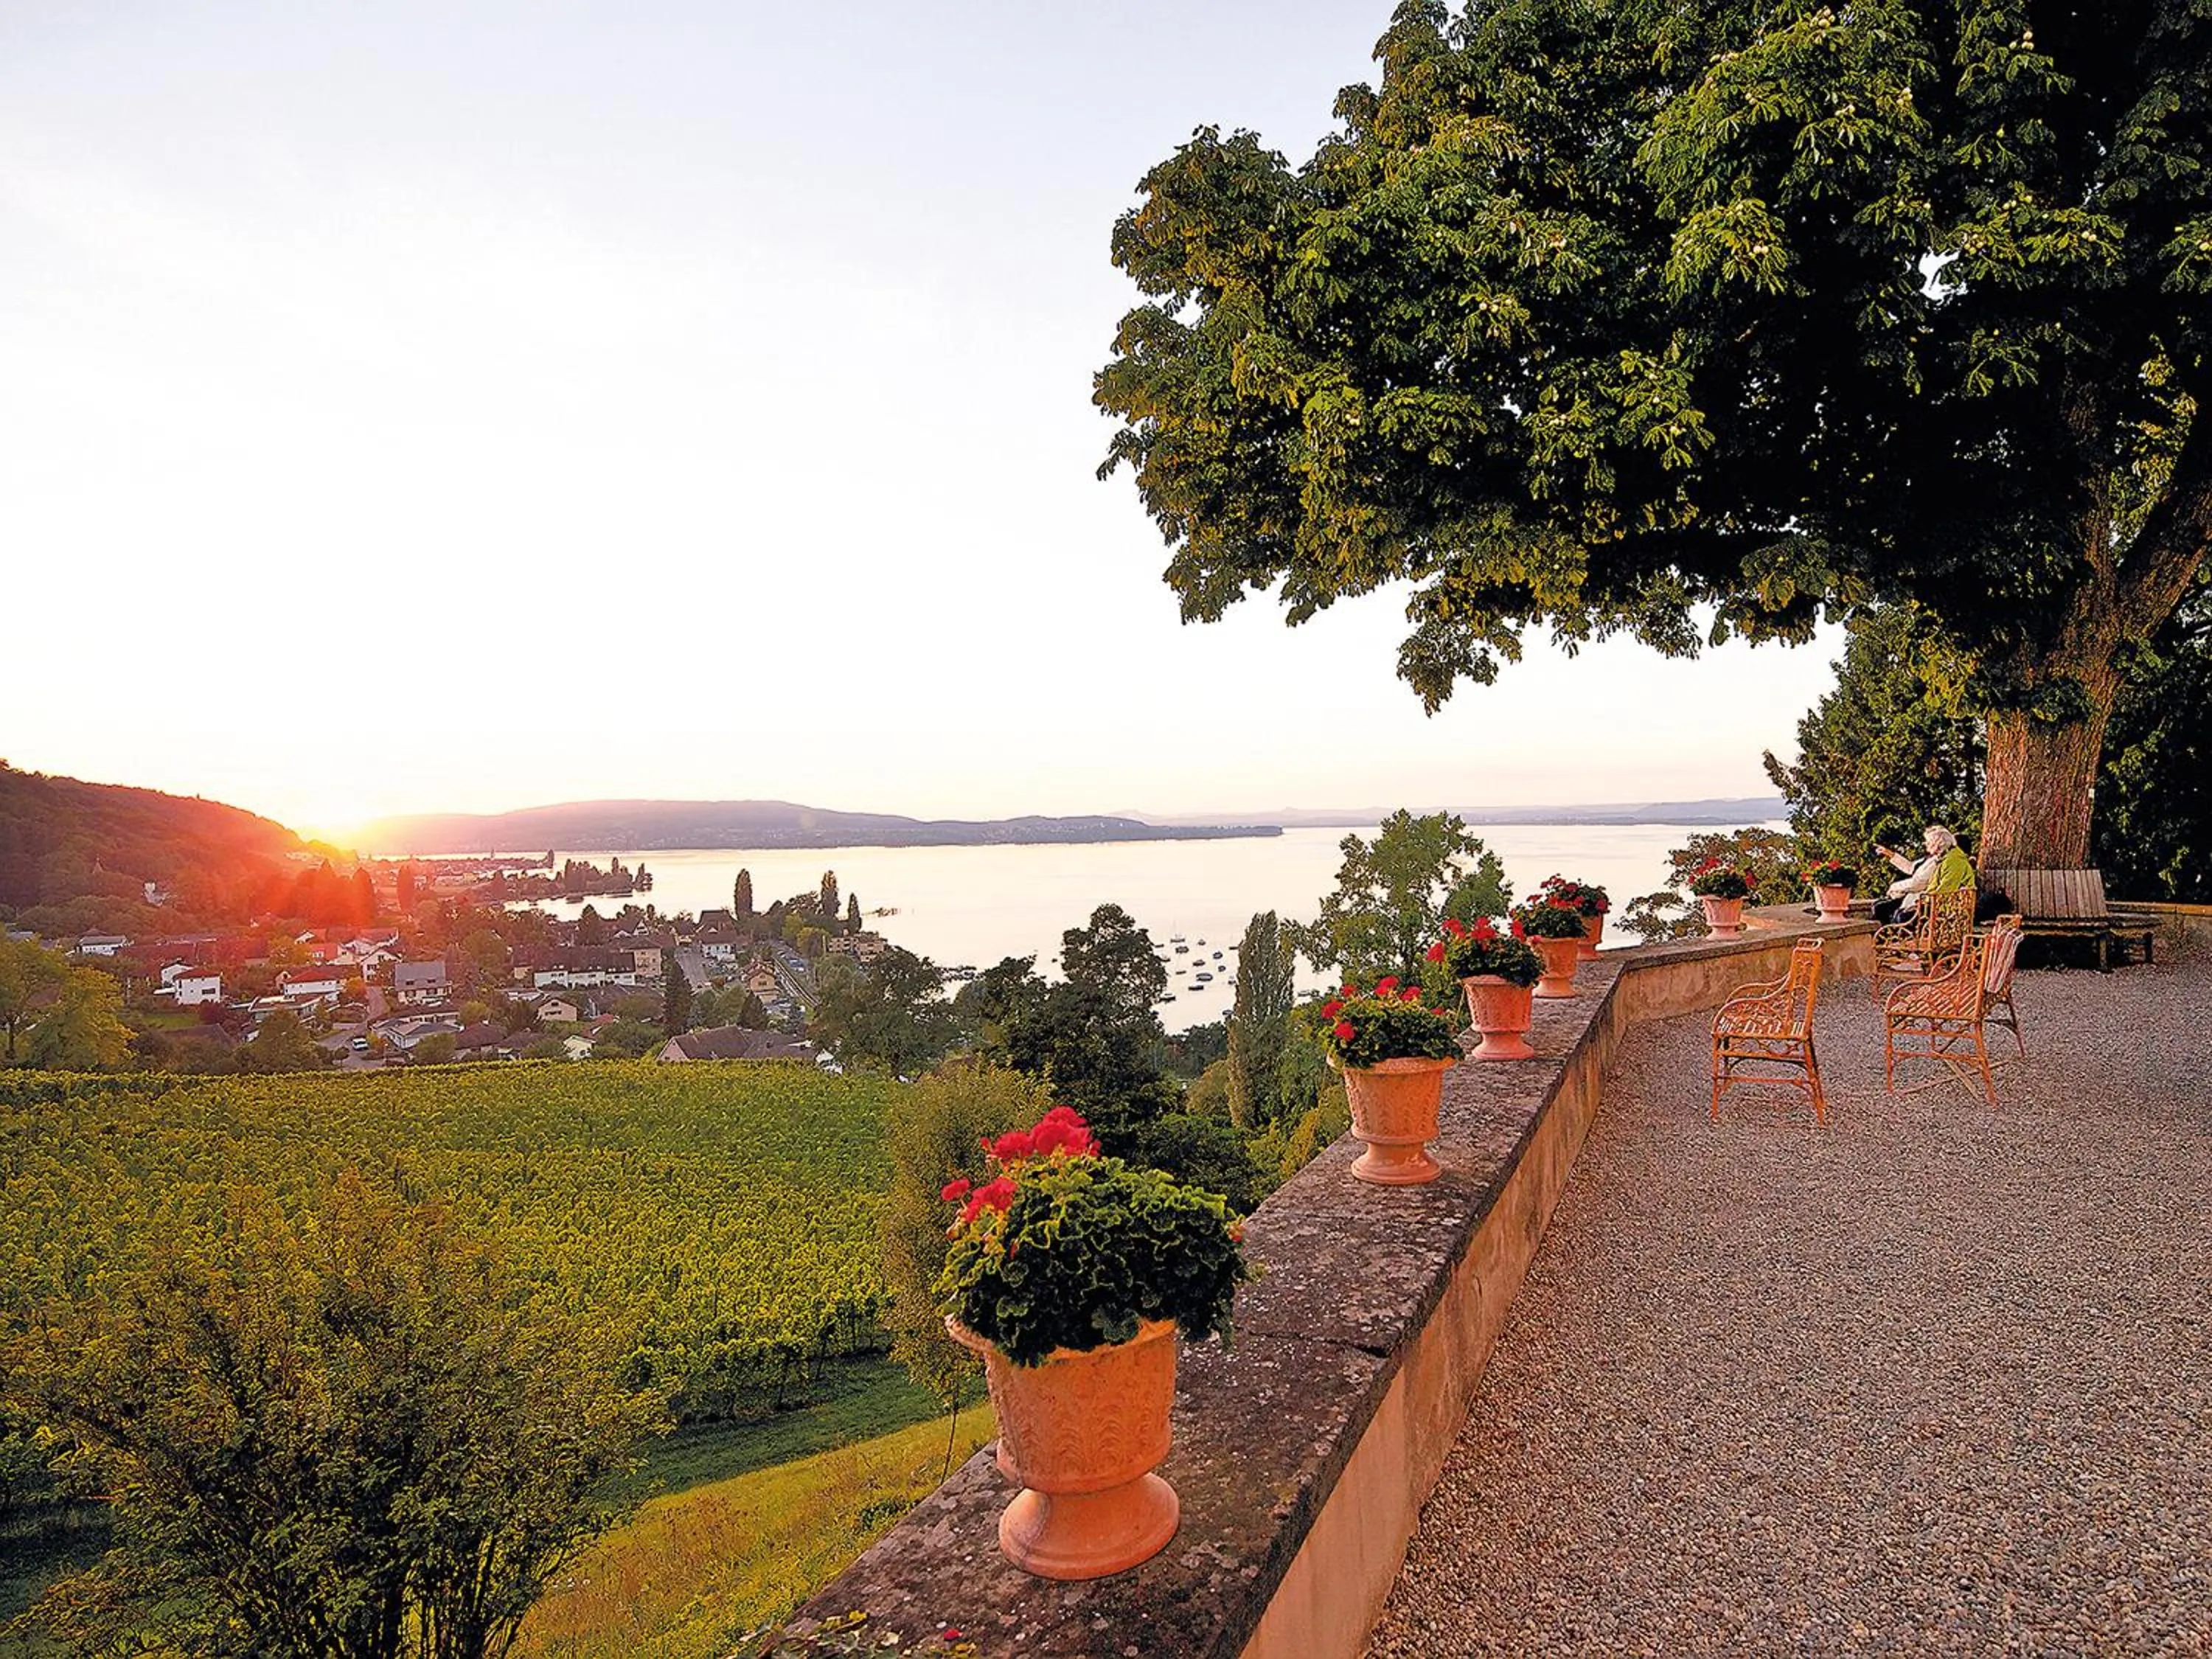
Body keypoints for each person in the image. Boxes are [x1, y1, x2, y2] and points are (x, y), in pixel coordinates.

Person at [1872, 825, 1974, 925]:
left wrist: (1922, 900)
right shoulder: (1943, 858)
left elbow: (1943, 889)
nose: (1925, 844)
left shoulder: (1951, 861)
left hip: (1941, 906)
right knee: (1888, 910)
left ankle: (1893, 934)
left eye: (1929, 842)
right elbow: (1913, 868)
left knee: (1899, 916)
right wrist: (1889, 854)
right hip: (1929, 899)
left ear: (1937, 844)